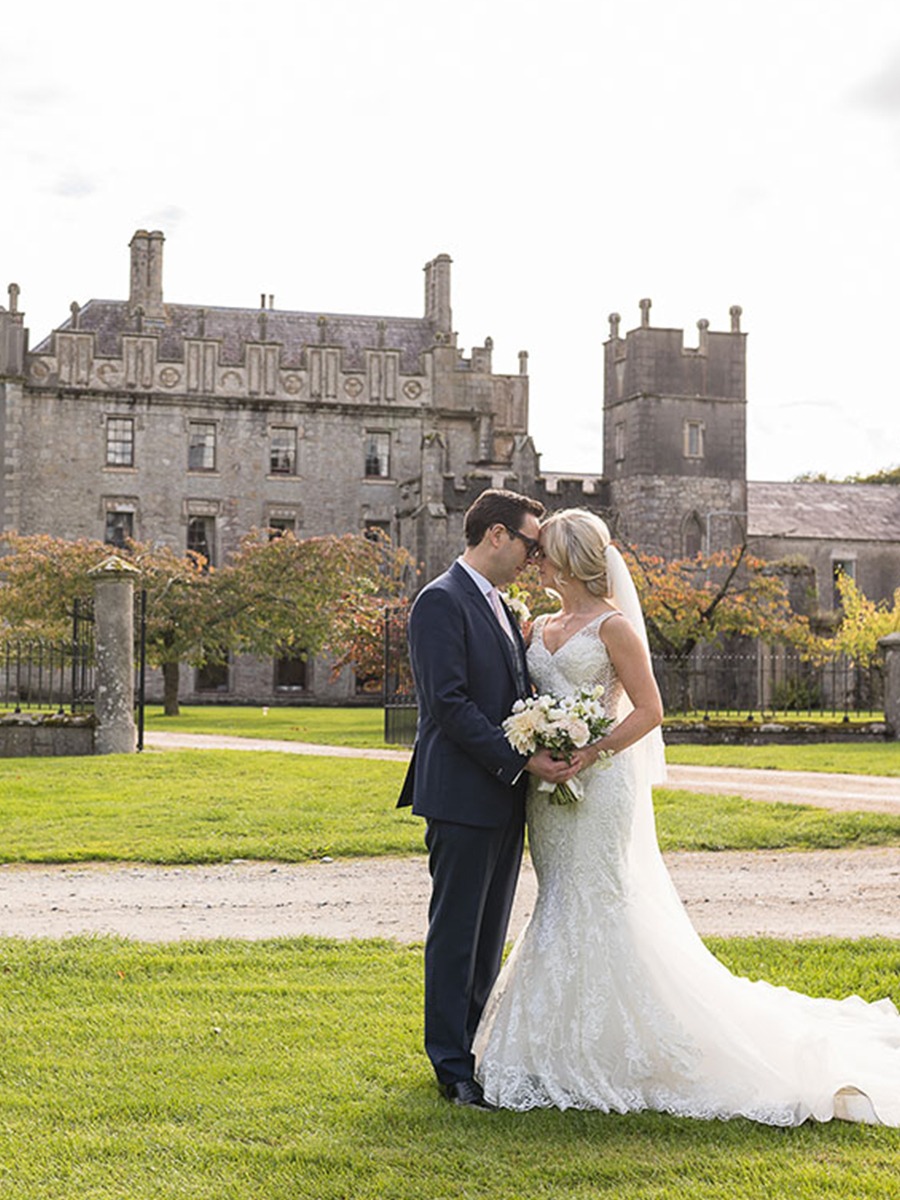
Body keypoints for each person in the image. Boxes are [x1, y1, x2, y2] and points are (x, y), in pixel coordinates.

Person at [473, 507, 900, 1126]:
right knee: (559, 896)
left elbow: (649, 710)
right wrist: (539, 744)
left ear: (569, 561)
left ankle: (628, 1044)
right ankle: (551, 1040)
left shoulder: (614, 627)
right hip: (548, 793)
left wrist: (591, 748)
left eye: (545, 552)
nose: (534, 558)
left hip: (602, 785)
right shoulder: (536, 626)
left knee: (603, 897)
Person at [398, 488, 580, 1110]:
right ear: (496, 535)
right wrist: (524, 757)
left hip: (503, 796)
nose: (534, 557)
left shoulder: (505, 607)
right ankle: (450, 1067)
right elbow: (447, 705)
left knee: (487, 936)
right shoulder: (440, 601)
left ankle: (472, 1052)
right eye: (531, 543)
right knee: (456, 934)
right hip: (461, 794)